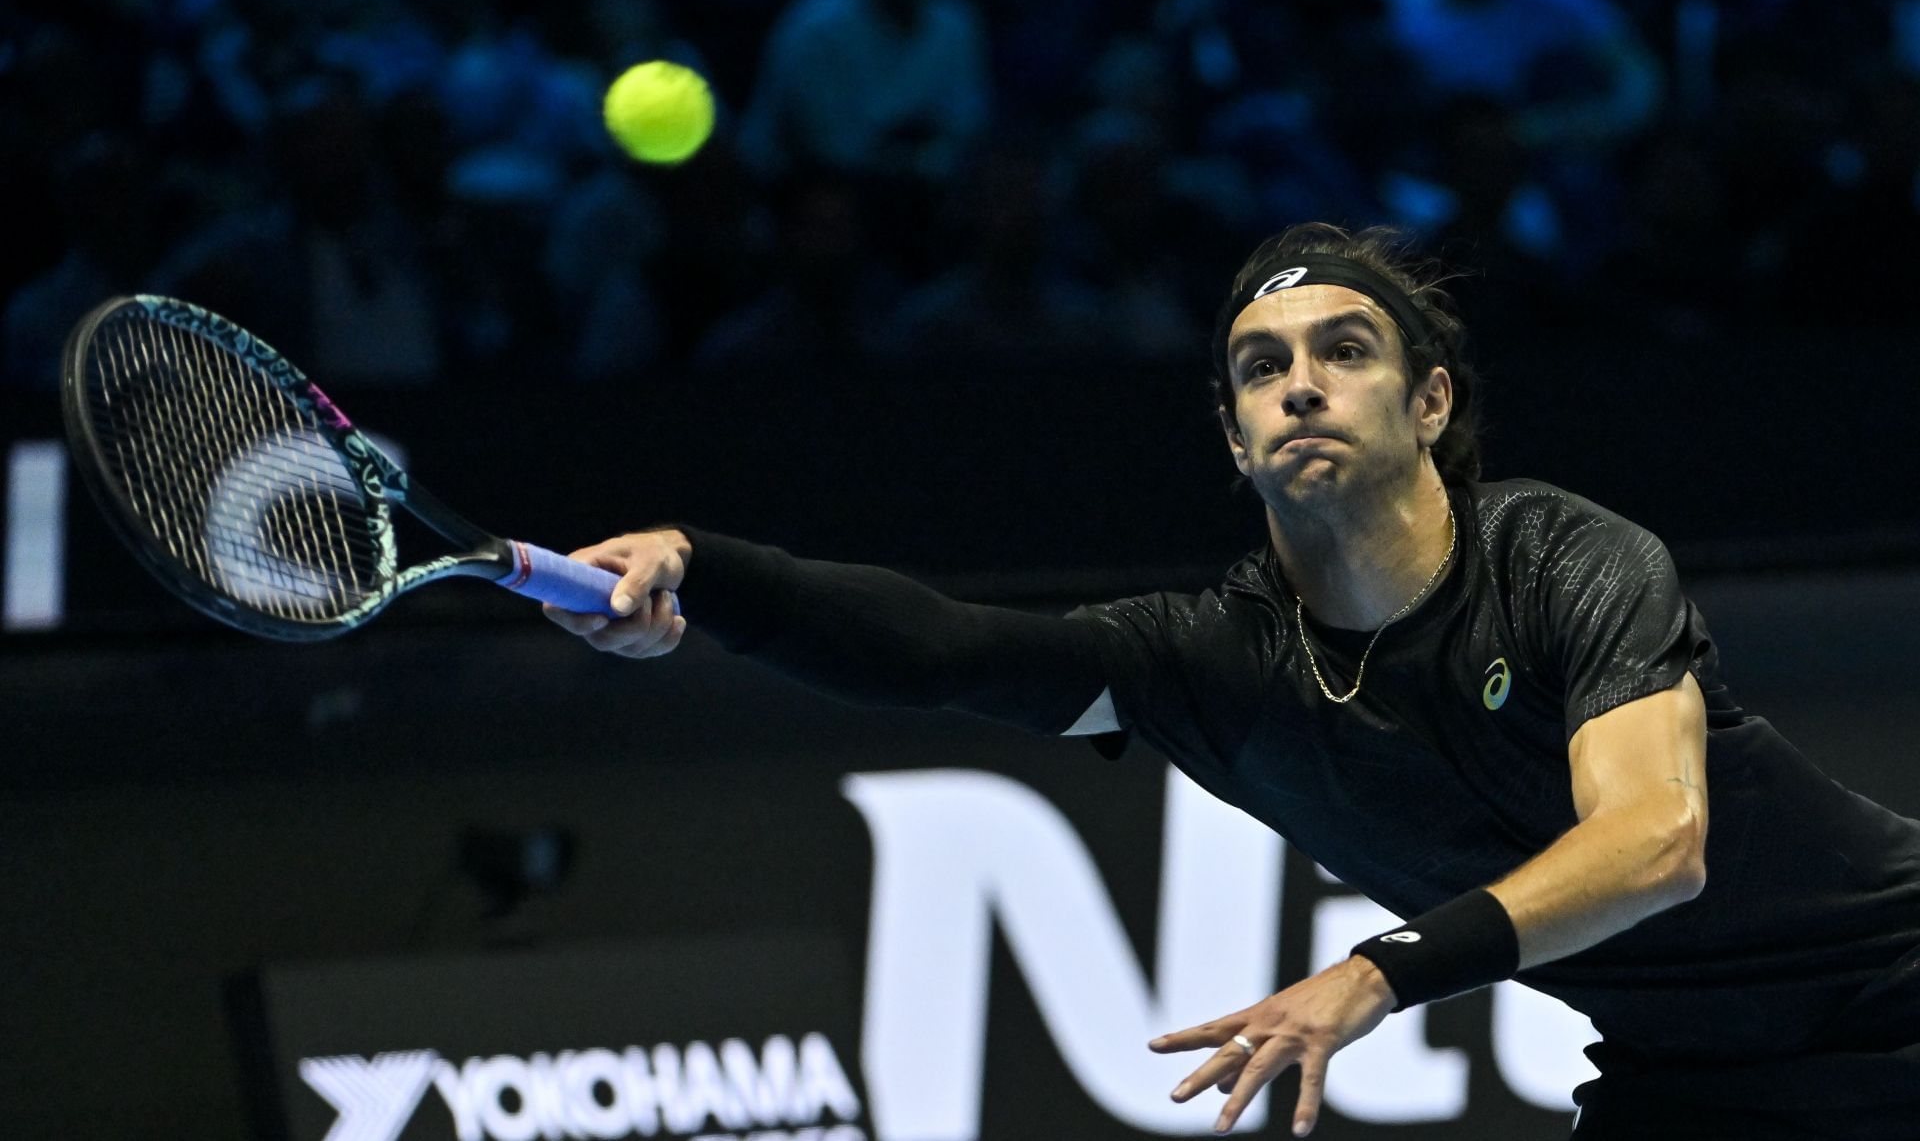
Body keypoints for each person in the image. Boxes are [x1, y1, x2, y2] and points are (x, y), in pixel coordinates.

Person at [543, 223, 1920, 1139]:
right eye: (1262, 370)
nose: (1300, 386)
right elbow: (948, 646)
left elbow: (1656, 841)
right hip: (1703, 1081)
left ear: (1429, 401)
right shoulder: (1209, 663)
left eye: (1345, 352)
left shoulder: (1559, 553)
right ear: (1233, 433)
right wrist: (702, 569)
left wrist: (1378, 972)